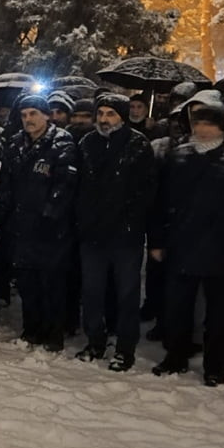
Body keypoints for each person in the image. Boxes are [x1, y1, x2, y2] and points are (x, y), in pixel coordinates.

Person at [148, 91, 224, 386]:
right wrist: (158, 241)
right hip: (181, 246)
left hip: (221, 250)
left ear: (222, 126)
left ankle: (215, 364)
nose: (202, 129)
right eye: (197, 123)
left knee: (219, 314)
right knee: (177, 308)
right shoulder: (179, 157)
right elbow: (161, 202)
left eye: (209, 123)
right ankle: (176, 355)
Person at [0, 94, 78, 351]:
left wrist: (50, 215)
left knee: (51, 284)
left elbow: (65, 185)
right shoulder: (15, 144)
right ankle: (32, 329)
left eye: (33, 114)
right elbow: (5, 183)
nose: (28, 120)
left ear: (46, 116)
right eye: (24, 115)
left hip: (51, 229)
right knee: (28, 284)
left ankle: (53, 334)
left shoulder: (62, 143)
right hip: (21, 226)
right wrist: (1, 211)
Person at [73, 94, 155, 371]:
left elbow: (146, 192)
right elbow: (80, 186)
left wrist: (132, 223)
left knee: (127, 294)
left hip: (125, 235)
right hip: (92, 234)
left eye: (111, 114)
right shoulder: (87, 143)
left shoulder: (138, 145)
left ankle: (124, 348)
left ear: (122, 116)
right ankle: (95, 341)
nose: (105, 119)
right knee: (92, 292)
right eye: (102, 113)